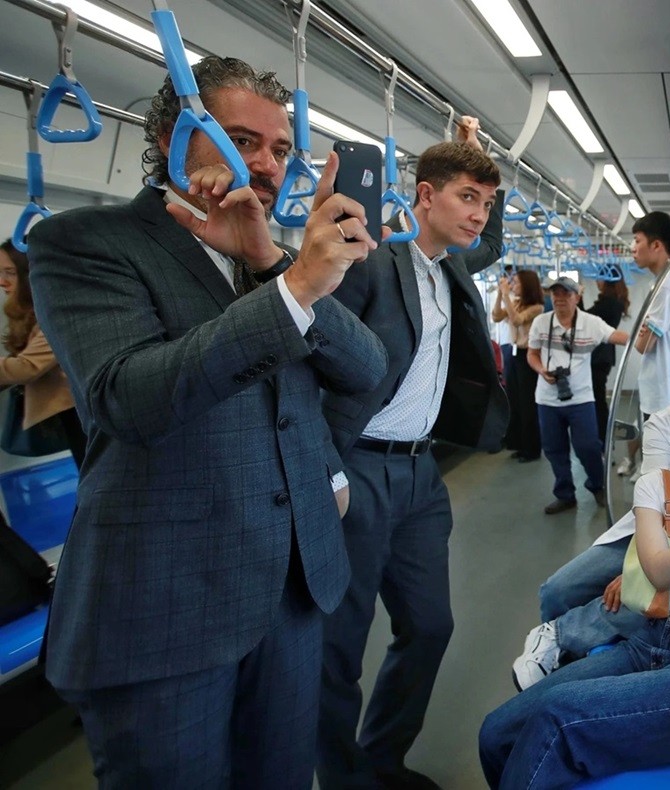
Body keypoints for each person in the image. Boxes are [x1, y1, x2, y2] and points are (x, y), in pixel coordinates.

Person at [25, 55, 388, 788]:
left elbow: (365, 368)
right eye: (239, 139)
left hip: (288, 591)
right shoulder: (85, 243)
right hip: (166, 603)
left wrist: (266, 264)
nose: (262, 162)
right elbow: (128, 398)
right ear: (170, 137)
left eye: (279, 148)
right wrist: (291, 289)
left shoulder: (268, 256)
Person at [480, 373, 670, 787]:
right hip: (651, 640)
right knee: (496, 732)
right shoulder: (657, 487)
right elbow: (659, 572)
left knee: (557, 716)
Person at [317, 132, 508, 790]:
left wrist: (481, 166)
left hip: (421, 474)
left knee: (429, 625)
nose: (479, 213)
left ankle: (382, 757)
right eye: (467, 197)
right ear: (423, 197)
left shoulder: (453, 264)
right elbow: (313, 367)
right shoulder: (369, 263)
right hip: (359, 468)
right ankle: (345, 780)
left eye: (486, 200)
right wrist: (329, 471)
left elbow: (491, 244)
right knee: (338, 647)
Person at [513, 345, 670, 689]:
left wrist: (646, 575)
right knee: (557, 591)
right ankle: (557, 650)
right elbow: (659, 498)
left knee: (648, 594)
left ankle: (570, 642)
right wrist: (639, 565)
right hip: (651, 525)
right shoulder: (665, 424)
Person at [528, 276, 628, 515]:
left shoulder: (591, 323)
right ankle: (565, 495)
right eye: (556, 293)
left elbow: (620, 337)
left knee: (589, 446)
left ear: (577, 297)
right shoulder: (541, 323)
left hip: (581, 398)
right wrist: (542, 370)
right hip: (547, 399)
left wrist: (648, 337)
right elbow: (532, 353)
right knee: (554, 449)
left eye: (566, 293)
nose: (560, 298)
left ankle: (596, 485)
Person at [616, 211, 670, 477]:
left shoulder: (669, 284)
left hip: (666, 394)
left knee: (663, 470)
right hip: (659, 390)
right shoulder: (664, 282)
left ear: (657, 245)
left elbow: (644, 344)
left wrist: (640, 336)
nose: (633, 248)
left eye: (637, 240)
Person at [0, 239, 85, 466]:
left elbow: (28, 367)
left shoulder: (60, 312)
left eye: (10, 272)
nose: (2, 282)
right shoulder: (37, 311)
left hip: (78, 413)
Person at [493, 269, 545, 462]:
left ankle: (532, 449)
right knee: (514, 400)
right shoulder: (515, 302)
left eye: (516, 282)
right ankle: (519, 444)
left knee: (527, 403)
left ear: (527, 284)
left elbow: (516, 319)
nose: (513, 284)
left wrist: (506, 294)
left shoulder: (536, 308)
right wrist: (500, 294)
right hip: (513, 354)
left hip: (527, 356)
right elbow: (497, 316)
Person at [584, 275, 629, 447]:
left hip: (599, 356)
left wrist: (578, 300)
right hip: (602, 356)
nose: (596, 282)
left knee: (598, 399)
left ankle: (603, 438)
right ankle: (603, 437)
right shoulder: (612, 301)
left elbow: (584, 319)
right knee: (598, 398)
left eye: (599, 278)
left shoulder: (608, 302)